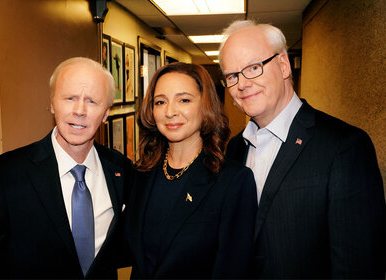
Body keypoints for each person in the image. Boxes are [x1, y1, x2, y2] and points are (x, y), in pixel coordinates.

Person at [219, 20, 385, 278]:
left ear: (283, 65)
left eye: (253, 67)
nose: (242, 83)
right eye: (232, 76)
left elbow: (358, 267)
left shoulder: (344, 146)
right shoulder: (234, 149)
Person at [0, 57, 133, 279]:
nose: (80, 110)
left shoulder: (121, 170)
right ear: (53, 103)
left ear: (105, 113)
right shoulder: (4, 175)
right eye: (70, 98)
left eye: (92, 101)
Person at [123, 62, 257, 279]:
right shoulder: (141, 173)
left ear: (205, 106)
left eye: (184, 100)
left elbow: (234, 270)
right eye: (160, 102)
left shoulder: (233, 182)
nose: (170, 112)